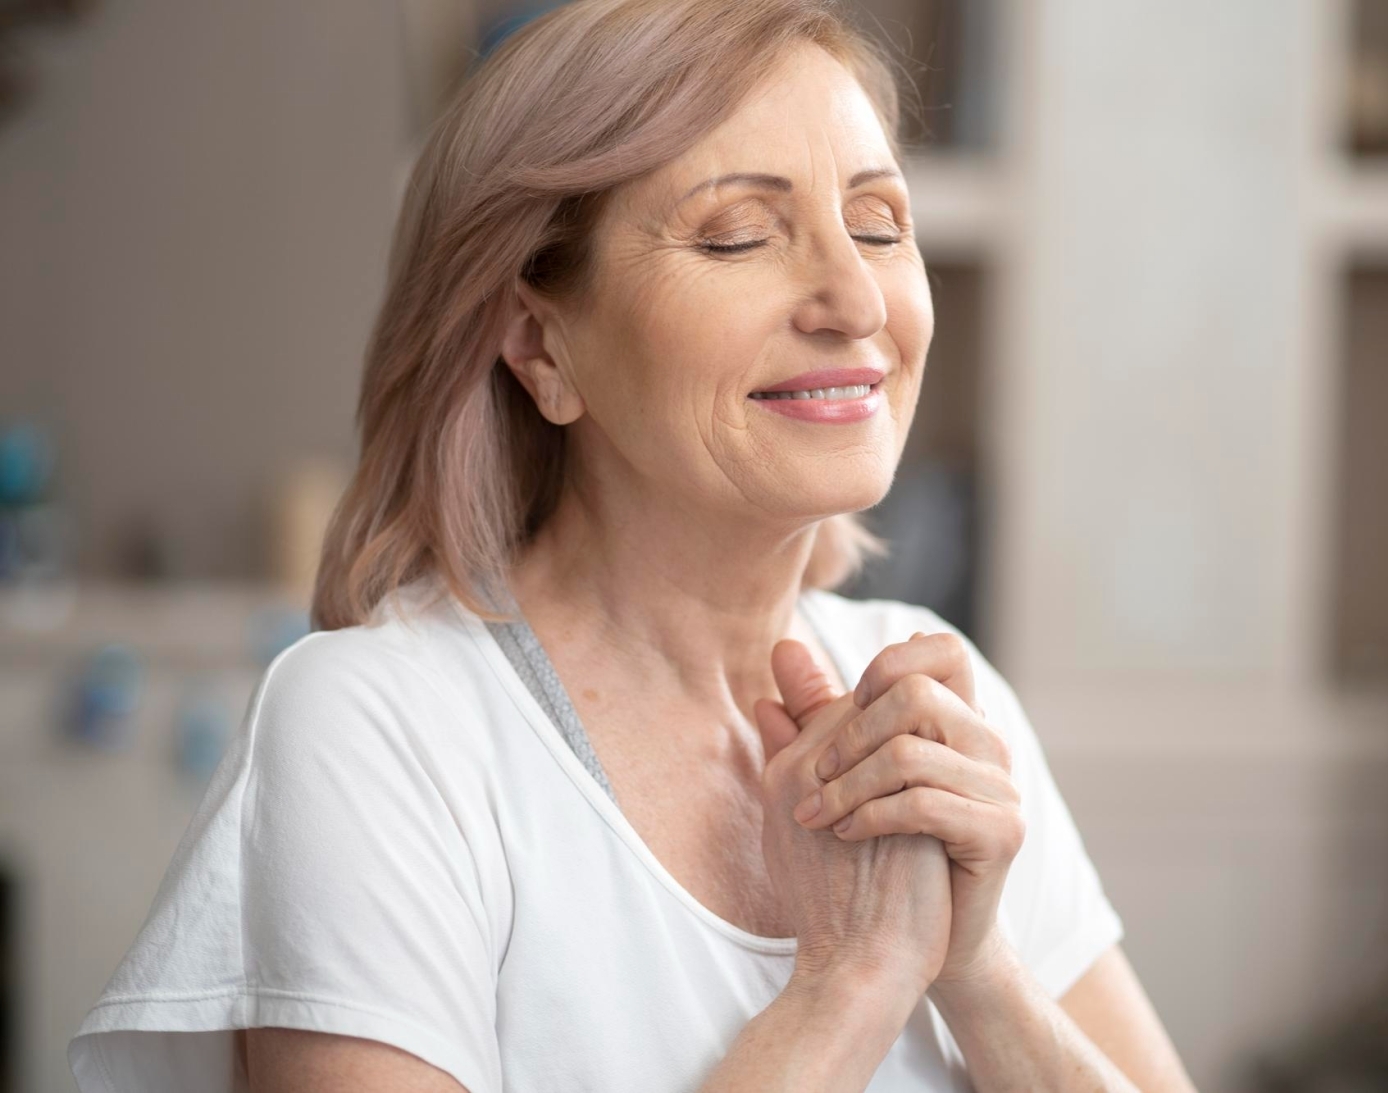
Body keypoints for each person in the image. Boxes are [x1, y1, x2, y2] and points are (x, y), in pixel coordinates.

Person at [68, 1, 1197, 1089]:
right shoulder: (381, 728)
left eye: (877, 226)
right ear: (539, 343)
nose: (855, 300)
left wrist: (980, 967)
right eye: (738, 235)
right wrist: (846, 984)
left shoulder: (934, 700)